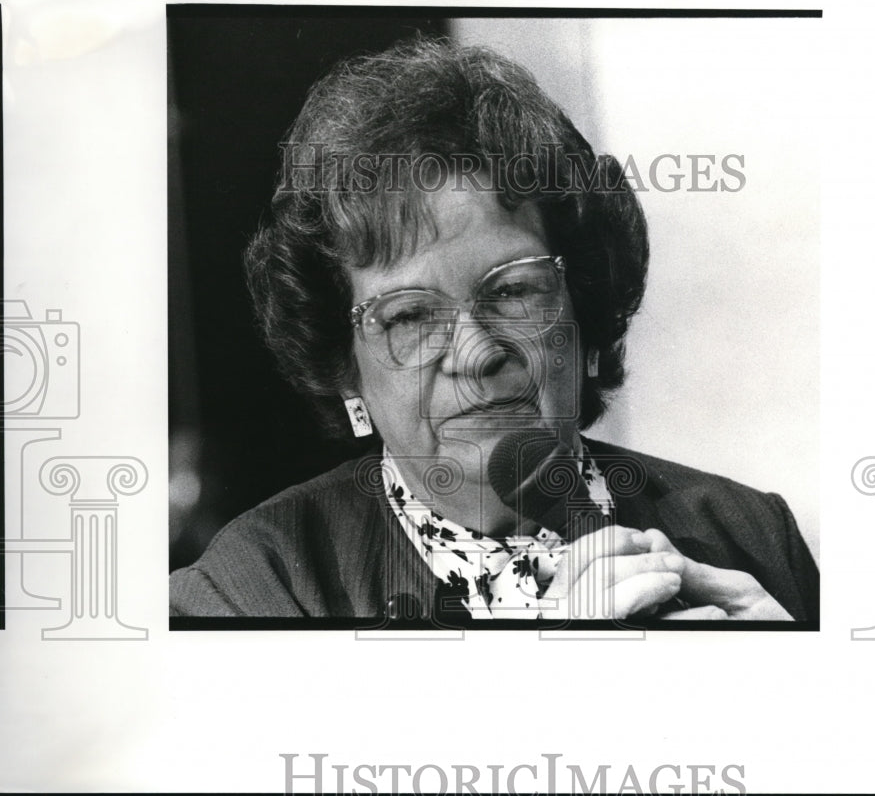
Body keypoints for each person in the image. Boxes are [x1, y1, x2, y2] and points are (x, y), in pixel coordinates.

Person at [169, 37, 818, 623]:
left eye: (512, 290)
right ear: (345, 366)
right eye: (410, 315)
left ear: (580, 307)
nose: (476, 353)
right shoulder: (248, 592)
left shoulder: (754, 537)